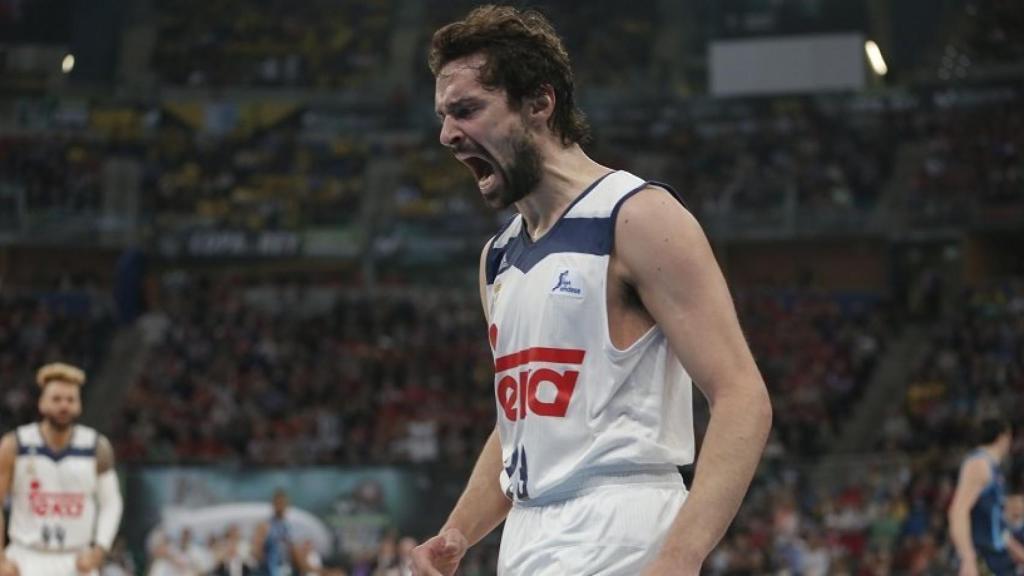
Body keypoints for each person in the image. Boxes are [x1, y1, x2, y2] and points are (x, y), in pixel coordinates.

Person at [411, 6, 772, 575]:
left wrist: (678, 557)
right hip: (528, 539)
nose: (448, 135)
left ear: (539, 102)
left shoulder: (637, 218)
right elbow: (520, 430)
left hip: (623, 529)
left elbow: (742, 397)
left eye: (467, 110)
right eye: (443, 116)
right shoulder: (498, 257)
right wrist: (456, 531)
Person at [0, 362, 124, 576]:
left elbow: (112, 502)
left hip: (77, 558)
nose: (64, 406)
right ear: (41, 403)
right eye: (56, 399)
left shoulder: (97, 447)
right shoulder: (15, 444)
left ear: (79, 405)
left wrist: (99, 550)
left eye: (70, 400)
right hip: (25, 557)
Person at [949, 418, 1024, 575]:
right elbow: (958, 511)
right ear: (1003, 437)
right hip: (984, 557)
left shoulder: (993, 469)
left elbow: (996, 527)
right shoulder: (979, 464)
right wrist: (967, 558)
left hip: (998, 558)